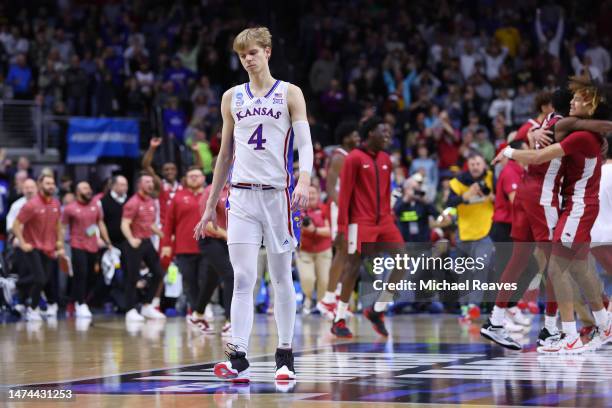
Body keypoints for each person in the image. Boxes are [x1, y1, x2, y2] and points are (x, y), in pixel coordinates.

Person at [193, 27, 313, 383]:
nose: (248, 58)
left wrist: (304, 179)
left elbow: (305, 144)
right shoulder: (231, 97)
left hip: (277, 194)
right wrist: (209, 205)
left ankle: (285, 354)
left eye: (254, 52)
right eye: (242, 54)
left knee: (280, 278)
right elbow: (224, 154)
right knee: (243, 277)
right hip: (241, 196)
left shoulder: (290, 93)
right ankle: (238, 356)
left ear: (267, 53)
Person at [494, 77, 612, 353]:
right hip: (581, 205)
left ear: (591, 105)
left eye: (579, 99)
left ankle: (568, 335)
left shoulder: (581, 136)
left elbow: (537, 158)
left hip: (578, 205)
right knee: (581, 269)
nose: (572, 101)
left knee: (557, 269)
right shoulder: (583, 132)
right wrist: (532, 135)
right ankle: (605, 325)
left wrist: (508, 150)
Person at [332, 116, 405, 339]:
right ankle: (339, 319)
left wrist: (390, 217)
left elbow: (385, 192)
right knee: (352, 268)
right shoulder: (354, 158)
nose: (387, 137)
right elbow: (344, 197)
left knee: (403, 260)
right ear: (370, 133)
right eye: (383, 133)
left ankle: (378, 309)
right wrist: (342, 229)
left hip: (384, 221)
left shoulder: (386, 159)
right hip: (359, 222)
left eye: (389, 134)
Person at [161, 166, 233, 335]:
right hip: (202, 242)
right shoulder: (203, 193)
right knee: (226, 276)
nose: (194, 179)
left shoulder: (233, 189)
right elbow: (169, 223)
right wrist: (166, 244)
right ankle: (230, 321)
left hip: (220, 243)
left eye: (197, 175)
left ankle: (197, 314)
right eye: (190, 175)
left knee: (210, 280)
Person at [318, 122, 360, 318]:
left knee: (350, 255)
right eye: (354, 135)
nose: (358, 138)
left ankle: (335, 298)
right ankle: (327, 299)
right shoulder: (338, 157)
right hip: (340, 209)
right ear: (345, 138)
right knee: (342, 252)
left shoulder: (352, 156)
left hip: (352, 209)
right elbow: (330, 187)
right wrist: (344, 208)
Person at [12, 174, 63, 321]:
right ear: (40, 185)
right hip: (32, 246)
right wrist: (22, 242)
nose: (51, 186)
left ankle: (18, 286)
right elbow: (16, 224)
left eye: (52, 183)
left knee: (43, 280)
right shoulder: (31, 205)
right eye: (47, 183)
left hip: (49, 247)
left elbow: (58, 225)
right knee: (40, 279)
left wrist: (59, 242)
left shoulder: (56, 204)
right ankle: (32, 308)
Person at [61, 181, 112, 318]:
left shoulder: (95, 206)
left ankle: (72, 301)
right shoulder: (70, 208)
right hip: (77, 245)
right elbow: (63, 227)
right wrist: (60, 245)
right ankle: (81, 303)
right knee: (81, 274)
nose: (88, 190)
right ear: (78, 191)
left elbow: (100, 223)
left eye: (89, 187)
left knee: (91, 276)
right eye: (85, 188)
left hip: (93, 245)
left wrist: (107, 241)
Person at [120, 173, 166, 322]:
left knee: (158, 273)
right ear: (139, 184)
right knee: (132, 277)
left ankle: (147, 305)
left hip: (147, 242)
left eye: (152, 182)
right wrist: (131, 239)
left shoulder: (151, 201)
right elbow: (125, 223)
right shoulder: (132, 202)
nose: (151, 184)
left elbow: (149, 223)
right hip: (134, 243)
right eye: (147, 182)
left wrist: (161, 234)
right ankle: (130, 309)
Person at [296, 185, 332, 314]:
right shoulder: (298, 209)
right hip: (305, 251)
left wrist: (314, 230)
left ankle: (322, 305)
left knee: (324, 280)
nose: (311, 196)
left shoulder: (324, 209)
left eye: (313, 193)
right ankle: (308, 298)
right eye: (308, 193)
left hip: (324, 251)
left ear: (318, 195)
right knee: (308, 279)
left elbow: (330, 231)